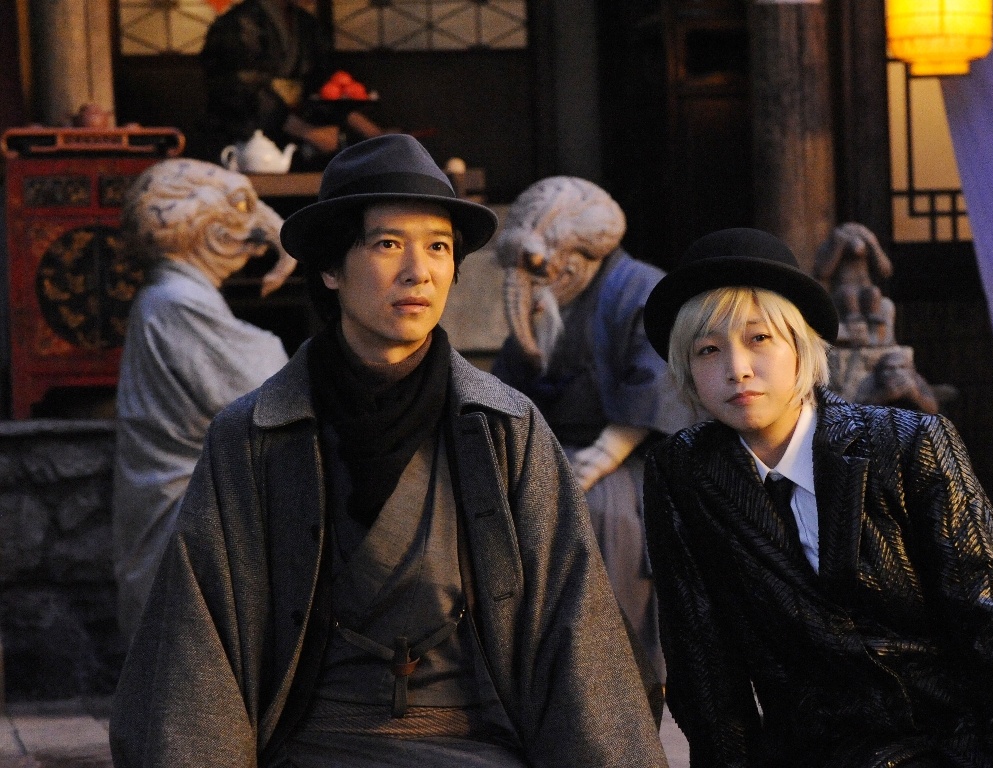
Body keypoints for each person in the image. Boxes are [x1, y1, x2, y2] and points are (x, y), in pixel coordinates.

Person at [109, 134, 667, 768]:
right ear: (330, 268)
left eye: (439, 247)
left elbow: (574, 628)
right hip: (313, 748)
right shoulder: (252, 436)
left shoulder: (506, 429)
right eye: (388, 244)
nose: (418, 271)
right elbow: (200, 649)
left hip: (475, 745)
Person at [640, 227, 993, 767]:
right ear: (687, 369)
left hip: (960, 748)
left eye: (759, 339)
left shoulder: (907, 444)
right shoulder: (683, 472)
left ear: (801, 346)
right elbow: (704, 669)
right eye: (708, 350)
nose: (737, 369)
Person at [491, 176, 698, 683]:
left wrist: (606, 453)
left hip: (632, 453)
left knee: (601, 511)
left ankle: (616, 675)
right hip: (550, 451)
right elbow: (507, 387)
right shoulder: (544, 295)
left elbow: (659, 378)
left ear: (579, 253)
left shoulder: (640, 288)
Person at [113, 158, 293, 637]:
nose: (253, 240)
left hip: (180, 507)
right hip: (184, 515)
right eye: (239, 213)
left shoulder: (170, 295)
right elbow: (268, 389)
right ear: (205, 226)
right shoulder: (177, 301)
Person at [199, 0, 382, 166]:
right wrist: (307, 132)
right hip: (243, 144)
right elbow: (244, 90)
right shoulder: (238, 24)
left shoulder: (305, 23)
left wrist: (376, 135)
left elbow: (324, 87)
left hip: (294, 142)